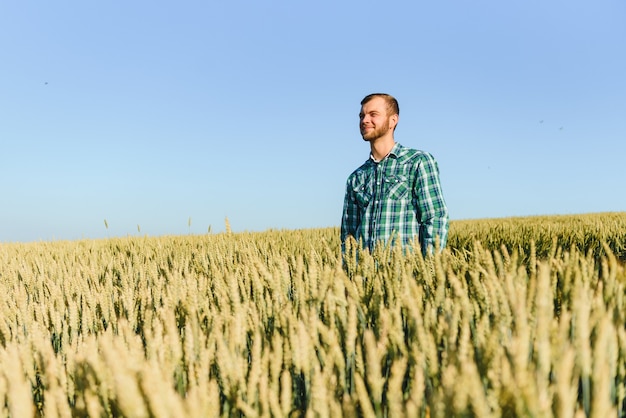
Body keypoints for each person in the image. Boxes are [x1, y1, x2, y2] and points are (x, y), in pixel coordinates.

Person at [341, 93, 449, 255]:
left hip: (407, 275)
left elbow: (435, 218)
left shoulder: (417, 162)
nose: (364, 120)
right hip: (364, 277)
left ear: (393, 120)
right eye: (362, 116)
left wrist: (429, 269)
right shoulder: (356, 178)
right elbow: (348, 236)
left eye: (373, 114)